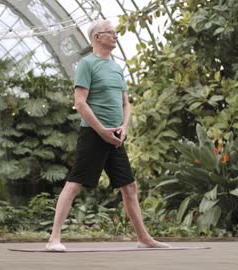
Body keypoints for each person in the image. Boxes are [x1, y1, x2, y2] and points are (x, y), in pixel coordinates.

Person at [45, 19, 171, 251]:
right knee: (74, 184)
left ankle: (144, 238)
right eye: (110, 33)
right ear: (97, 37)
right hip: (93, 135)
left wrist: (123, 127)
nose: (115, 36)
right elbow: (80, 103)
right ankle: (54, 239)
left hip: (115, 137)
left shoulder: (116, 67)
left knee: (129, 186)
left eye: (115, 33)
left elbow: (126, 104)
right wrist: (101, 130)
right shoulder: (87, 64)